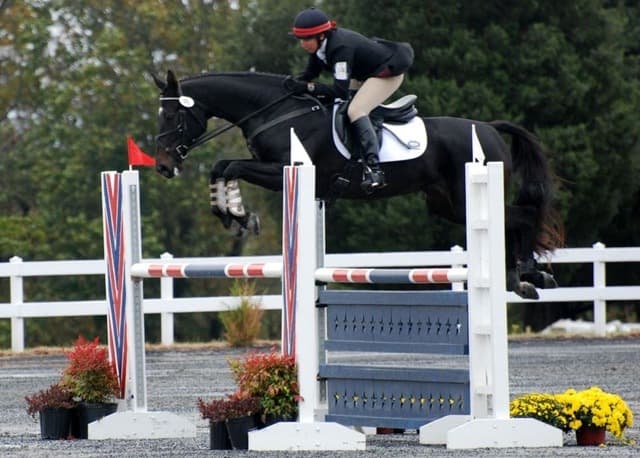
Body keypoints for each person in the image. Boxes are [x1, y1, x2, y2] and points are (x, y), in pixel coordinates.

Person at [287, 7, 414, 193]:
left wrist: (309, 88)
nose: (302, 44)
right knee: (339, 107)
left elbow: (339, 91)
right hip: (365, 74)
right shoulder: (320, 48)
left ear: (321, 36)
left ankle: (374, 170)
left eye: (306, 39)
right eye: (300, 39)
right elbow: (309, 74)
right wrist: (291, 84)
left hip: (386, 74)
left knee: (356, 110)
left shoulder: (340, 48)